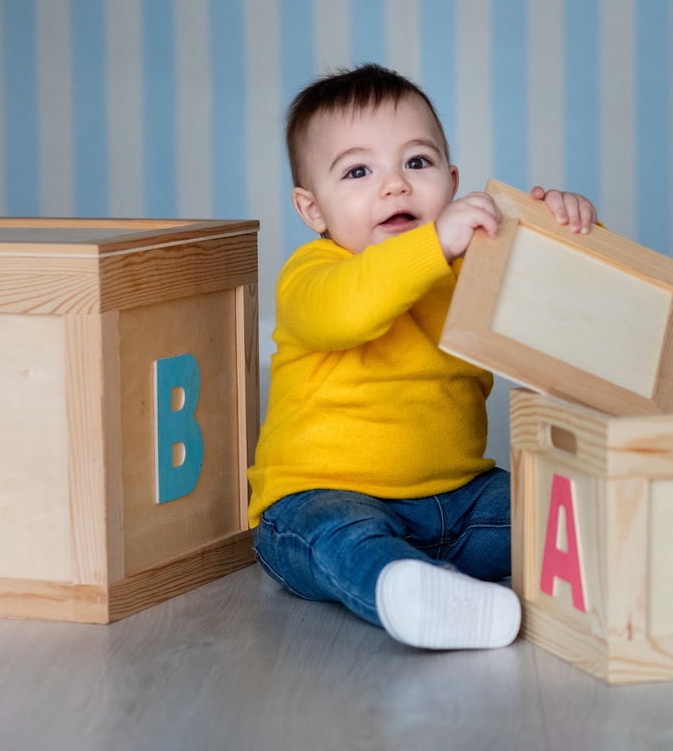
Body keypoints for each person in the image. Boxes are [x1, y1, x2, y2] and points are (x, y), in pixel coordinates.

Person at [249, 63, 596, 650]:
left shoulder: (471, 268)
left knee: (559, 507)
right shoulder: (311, 274)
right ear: (312, 211)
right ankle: (407, 592)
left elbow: (562, 306)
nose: (395, 185)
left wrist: (562, 226)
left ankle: (620, 561)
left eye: (417, 162)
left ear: (452, 182)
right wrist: (432, 245)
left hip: (462, 504)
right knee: (338, 538)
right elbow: (349, 308)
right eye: (358, 171)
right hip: (323, 497)